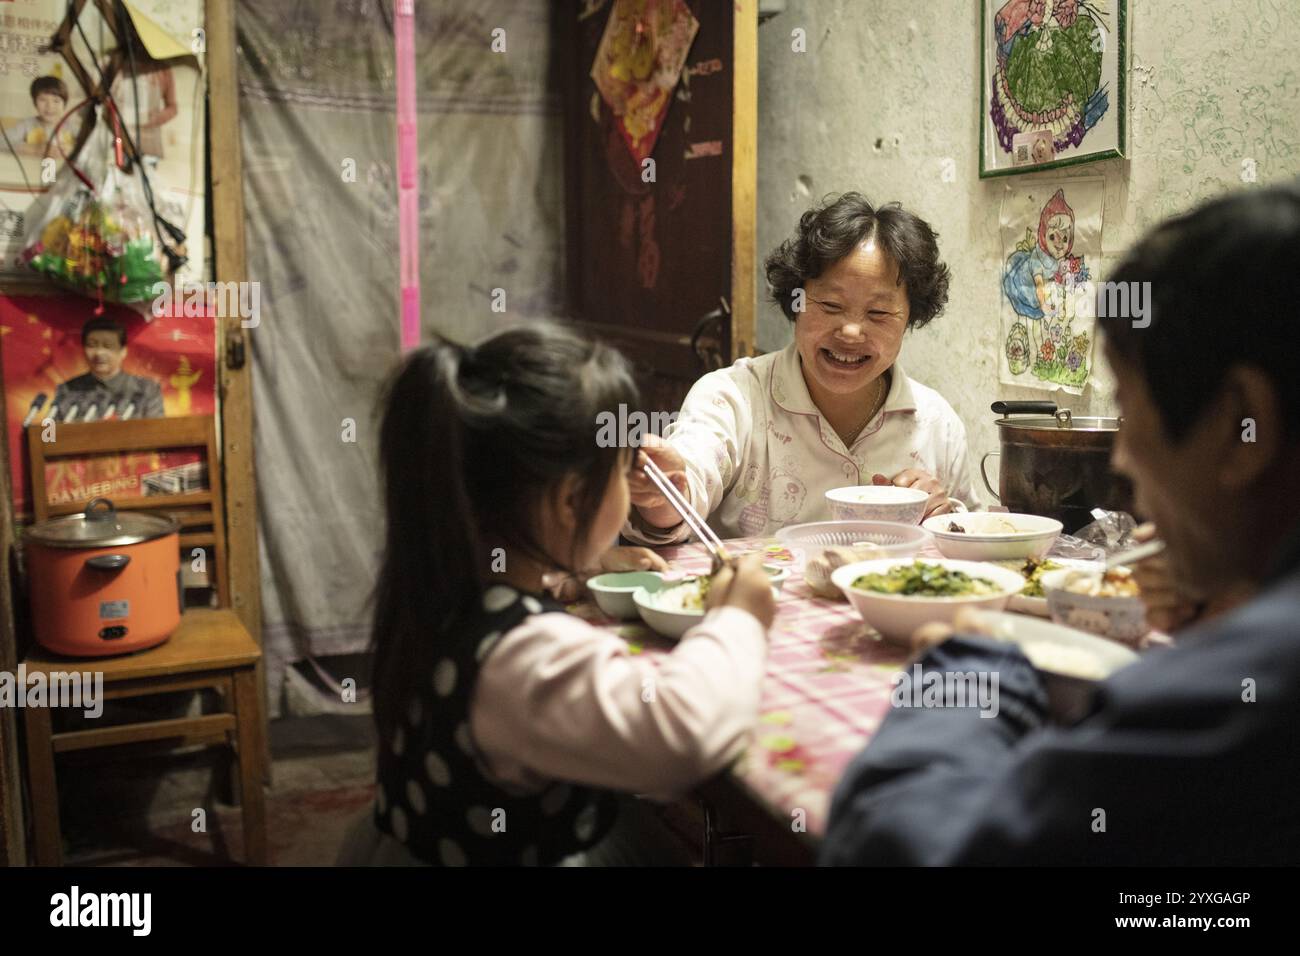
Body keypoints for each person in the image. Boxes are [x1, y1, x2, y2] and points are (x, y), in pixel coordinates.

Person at [821, 180, 1300, 865]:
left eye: (1130, 413)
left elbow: (896, 845)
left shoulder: (1234, 698)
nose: (1125, 461)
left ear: (1240, 422)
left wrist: (974, 663)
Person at [338, 323, 775, 867]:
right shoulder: (523, 654)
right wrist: (737, 620)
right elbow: (680, 740)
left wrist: (589, 562)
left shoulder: (440, 585)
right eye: (622, 473)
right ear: (571, 502)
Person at [626, 193, 980, 546]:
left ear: (910, 319)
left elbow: (978, 542)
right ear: (795, 301)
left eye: (878, 313)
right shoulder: (731, 399)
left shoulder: (937, 424)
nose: (851, 331)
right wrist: (664, 496)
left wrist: (945, 518)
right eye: (830, 304)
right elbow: (690, 477)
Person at [52, 316, 165, 421]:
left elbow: (157, 433)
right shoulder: (68, 390)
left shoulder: (147, 389)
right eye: (92, 345)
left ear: (123, 351)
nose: (99, 353)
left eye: (108, 346)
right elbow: (55, 435)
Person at [7, 75, 78, 157]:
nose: (50, 106)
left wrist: (72, 149)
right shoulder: (26, 125)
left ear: (64, 104)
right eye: (43, 100)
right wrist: (34, 149)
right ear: (35, 103)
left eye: (56, 101)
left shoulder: (72, 127)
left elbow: (89, 147)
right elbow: (2, 142)